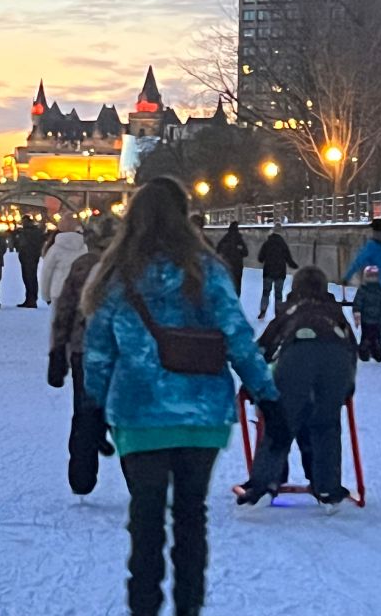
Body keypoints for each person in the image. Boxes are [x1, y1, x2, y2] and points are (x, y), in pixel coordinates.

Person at [82, 177, 283, 616]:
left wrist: (92, 410)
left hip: (137, 413)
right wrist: (267, 395)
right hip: (201, 414)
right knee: (192, 518)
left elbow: (98, 350)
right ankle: (188, 609)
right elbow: (237, 336)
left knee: (146, 521)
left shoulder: (117, 274)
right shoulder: (205, 270)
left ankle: (145, 609)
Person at [236, 266, 357, 511]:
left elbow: (264, 347)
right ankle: (328, 489)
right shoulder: (334, 310)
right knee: (327, 424)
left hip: (297, 355)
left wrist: (253, 383)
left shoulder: (290, 309)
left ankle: (263, 485)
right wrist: (347, 387)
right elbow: (351, 348)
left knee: (280, 419)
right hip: (338, 360)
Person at [48, 216, 117, 496]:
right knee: (124, 410)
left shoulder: (82, 266)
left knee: (84, 409)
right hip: (122, 351)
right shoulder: (133, 268)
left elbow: (64, 311)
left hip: (84, 348)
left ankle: (82, 473)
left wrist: (57, 352)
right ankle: (139, 480)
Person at [342, 218, 381, 351]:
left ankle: (373, 340)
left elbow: (358, 262)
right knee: (380, 312)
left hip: (376, 284)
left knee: (372, 313)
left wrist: (346, 277)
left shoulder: (371, 247)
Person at [39, 213, 88, 308]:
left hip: (58, 291)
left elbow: (46, 273)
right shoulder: (84, 248)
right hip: (77, 291)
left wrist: (46, 295)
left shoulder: (55, 249)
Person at [257, 222, 298, 320]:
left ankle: (263, 310)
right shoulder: (283, 244)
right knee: (278, 294)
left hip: (268, 272)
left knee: (266, 292)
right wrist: (295, 266)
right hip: (280, 272)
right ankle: (278, 313)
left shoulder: (267, 243)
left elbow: (260, 258)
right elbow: (289, 259)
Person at [353, 265, 381, 363]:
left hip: (366, 319)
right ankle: (377, 350)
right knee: (376, 335)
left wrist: (357, 314)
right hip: (377, 320)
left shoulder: (363, 290)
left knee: (365, 335)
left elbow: (357, 303)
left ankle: (364, 350)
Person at [16, 215, 44, 307]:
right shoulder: (33, 231)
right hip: (27, 257)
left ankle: (31, 300)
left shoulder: (31, 232)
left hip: (30, 257)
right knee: (28, 279)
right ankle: (29, 299)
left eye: (24, 222)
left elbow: (29, 243)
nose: (23, 224)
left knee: (30, 279)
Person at [215, 221, 248, 297]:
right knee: (237, 286)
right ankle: (236, 299)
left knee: (228, 285)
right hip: (238, 267)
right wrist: (239, 251)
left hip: (227, 266)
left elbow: (217, 250)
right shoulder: (239, 239)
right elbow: (246, 253)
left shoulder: (225, 238)